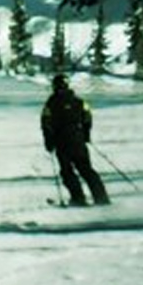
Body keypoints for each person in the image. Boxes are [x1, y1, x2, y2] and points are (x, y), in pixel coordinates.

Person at [40, 72, 110, 206]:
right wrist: (86, 134)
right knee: (86, 169)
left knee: (67, 172)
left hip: (62, 142)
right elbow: (87, 117)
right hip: (78, 140)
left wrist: (48, 142)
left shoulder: (51, 104)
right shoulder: (79, 101)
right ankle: (101, 197)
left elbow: (46, 124)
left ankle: (78, 198)